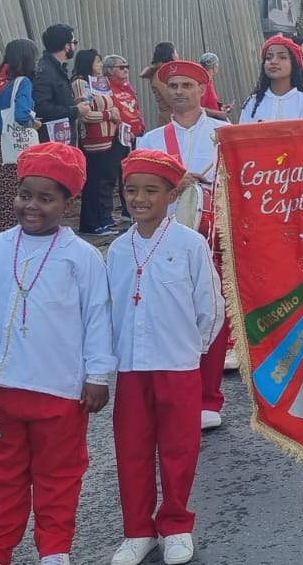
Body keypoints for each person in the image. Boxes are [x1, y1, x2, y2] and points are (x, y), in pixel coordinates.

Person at [0, 142, 115, 565]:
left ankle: (54, 550)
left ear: (67, 202)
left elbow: (98, 319)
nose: (31, 206)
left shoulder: (82, 258)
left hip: (59, 390)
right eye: (25, 195)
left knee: (59, 477)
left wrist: (98, 376)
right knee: (2, 477)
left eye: (45, 198)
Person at [106, 149, 224, 565]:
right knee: (132, 448)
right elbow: (110, 309)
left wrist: (192, 352)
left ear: (171, 194)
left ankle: (176, 524)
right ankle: (138, 530)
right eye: (132, 190)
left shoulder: (189, 244)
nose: (139, 199)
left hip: (178, 364)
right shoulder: (118, 250)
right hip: (132, 367)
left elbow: (211, 308)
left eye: (151, 190)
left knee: (179, 448)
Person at [136, 60, 233, 430]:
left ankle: (208, 399)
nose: (179, 92)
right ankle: (174, 395)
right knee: (171, 318)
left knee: (214, 315)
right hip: (166, 240)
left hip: (215, 239)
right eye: (173, 86)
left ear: (202, 90)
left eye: (186, 85)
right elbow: (138, 192)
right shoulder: (151, 141)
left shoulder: (225, 134)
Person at [0, 39, 42, 236]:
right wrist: (34, 123)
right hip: (16, 151)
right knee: (14, 198)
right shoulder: (23, 83)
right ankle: (13, 241)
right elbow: (22, 115)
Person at [71, 49, 121, 236]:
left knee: (105, 180)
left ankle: (103, 219)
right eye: (97, 62)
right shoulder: (81, 83)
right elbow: (85, 113)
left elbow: (111, 105)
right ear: (87, 63)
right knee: (93, 182)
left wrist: (114, 114)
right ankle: (90, 224)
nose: (100, 66)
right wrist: (109, 115)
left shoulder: (99, 83)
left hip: (110, 137)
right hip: (94, 140)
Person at [103, 54, 146, 220]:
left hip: (135, 134)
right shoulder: (105, 87)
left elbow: (135, 106)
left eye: (127, 66)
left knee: (131, 173)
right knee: (114, 174)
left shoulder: (127, 86)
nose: (126, 70)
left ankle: (129, 210)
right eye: (121, 67)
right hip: (117, 136)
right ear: (109, 70)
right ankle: (110, 214)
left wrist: (140, 125)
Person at [239, 37, 303, 123]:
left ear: (293, 64)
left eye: (282, 57)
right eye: (268, 58)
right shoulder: (252, 102)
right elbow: (241, 135)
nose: (273, 61)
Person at [34, 23, 89, 143]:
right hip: (53, 143)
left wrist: (73, 104)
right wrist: (75, 111)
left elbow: (55, 100)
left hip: (65, 139)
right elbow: (41, 107)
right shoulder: (44, 70)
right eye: (75, 42)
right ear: (67, 46)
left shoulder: (57, 68)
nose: (75, 46)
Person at [141, 42, 178, 125]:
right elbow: (172, 99)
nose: (177, 55)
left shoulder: (167, 72)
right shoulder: (161, 74)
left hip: (174, 118)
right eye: (175, 52)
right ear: (171, 55)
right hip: (169, 120)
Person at [198, 53, 231, 121]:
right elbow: (198, 108)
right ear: (214, 67)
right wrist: (219, 114)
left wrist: (220, 107)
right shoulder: (204, 83)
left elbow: (209, 104)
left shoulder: (209, 82)